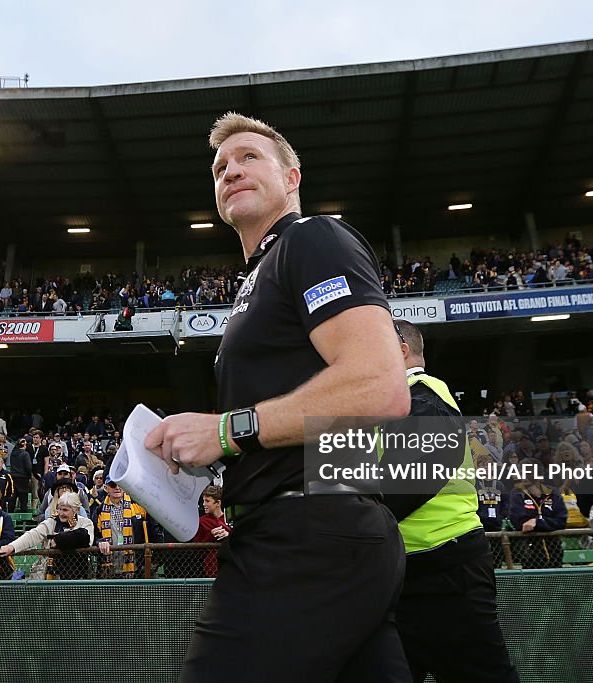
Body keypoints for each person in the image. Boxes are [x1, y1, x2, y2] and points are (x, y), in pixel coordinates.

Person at [145, 112, 412, 682]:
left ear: (292, 177)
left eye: (249, 158)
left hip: (307, 536)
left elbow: (379, 386)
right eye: (220, 167)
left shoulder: (311, 238)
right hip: (317, 534)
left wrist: (224, 431)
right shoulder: (255, 280)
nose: (230, 171)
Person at [382, 320, 519, 683]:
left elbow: (417, 473)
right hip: (407, 573)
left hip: (443, 571)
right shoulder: (395, 402)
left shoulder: (422, 394)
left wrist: (357, 519)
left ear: (400, 350)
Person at [0, 491, 93, 580]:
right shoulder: (51, 522)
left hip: (77, 575)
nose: (61, 513)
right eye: (59, 509)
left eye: (65, 510)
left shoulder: (85, 523)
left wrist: (58, 540)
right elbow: (33, 535)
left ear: (75, 510)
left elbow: (87, 539)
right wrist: (12, 547)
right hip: (52, 573)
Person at [190, 485, 232, 578]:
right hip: (212, 569)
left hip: (232, 566)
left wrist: (228, 535)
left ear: (218, 503)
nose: (204, 504)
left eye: (207, 501)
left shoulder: (230, 519)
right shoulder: (201, 522)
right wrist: (211, 535)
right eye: (204, 500)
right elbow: (197, 550)